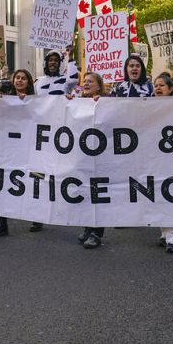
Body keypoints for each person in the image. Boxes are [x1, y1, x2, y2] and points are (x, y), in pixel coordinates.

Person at [0, 68, 42, 239]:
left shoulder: (38, 101)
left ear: (29, 82)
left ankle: (37, 216)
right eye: (17, 78)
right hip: (8, 148)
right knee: (4, 180)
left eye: (24, 78)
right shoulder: (3, 99)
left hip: (29, 147)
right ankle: (1, 222)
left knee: (32, 181)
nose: (20, 81)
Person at [74, 72, 107, 249]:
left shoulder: (107, 103)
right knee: (86, 192)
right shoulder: (78, 103)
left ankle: (97, 232)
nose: (86, 83)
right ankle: (88, 227)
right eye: (84, 81)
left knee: (97, 193)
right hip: (83, 155)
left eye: (90, 81)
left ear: (99, 86)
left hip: (101, 156)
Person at [153, 72, 173, 253]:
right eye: (155, 85)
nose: (157, 88)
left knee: (172, 194)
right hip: (155, 159)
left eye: (162, 85)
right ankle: (165, 233)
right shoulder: (147, 106)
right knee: (159, 193)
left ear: (171, 89)